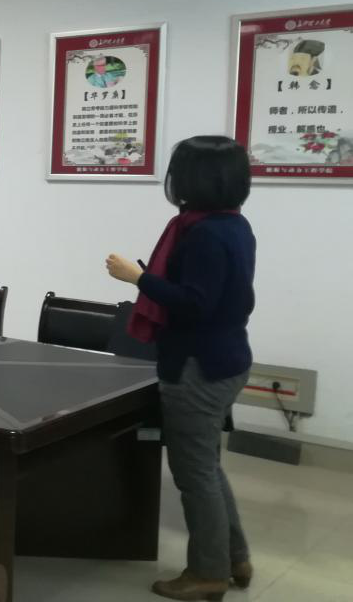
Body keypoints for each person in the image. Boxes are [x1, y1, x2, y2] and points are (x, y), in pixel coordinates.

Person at [105, 136, 255, 601]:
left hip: (198, 367)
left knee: (194, 475)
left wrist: (139, 278)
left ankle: (208, 573)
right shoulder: (233, 224)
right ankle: (233, 557)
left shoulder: (205, 233)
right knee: (207, 466)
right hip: (226, 358)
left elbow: (194, 304)